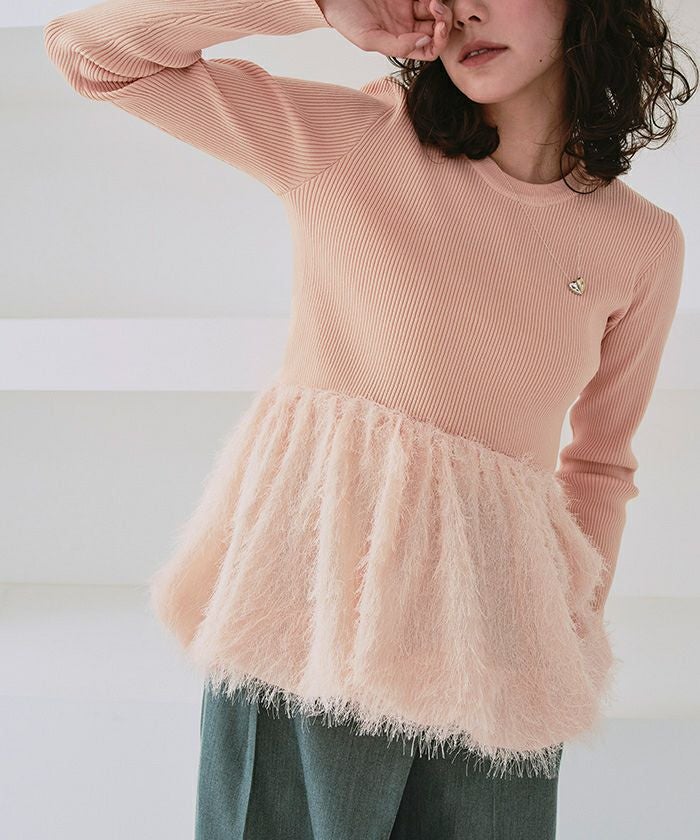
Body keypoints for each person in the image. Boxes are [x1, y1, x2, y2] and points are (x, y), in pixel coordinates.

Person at [43, 1, 696, 837]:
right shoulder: (354, 140)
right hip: (309, 611)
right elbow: (93, 55)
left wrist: (571, 632)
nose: (466, 8)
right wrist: (318, 4)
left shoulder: (641, 243)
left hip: (502, 644)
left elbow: (601, 463)